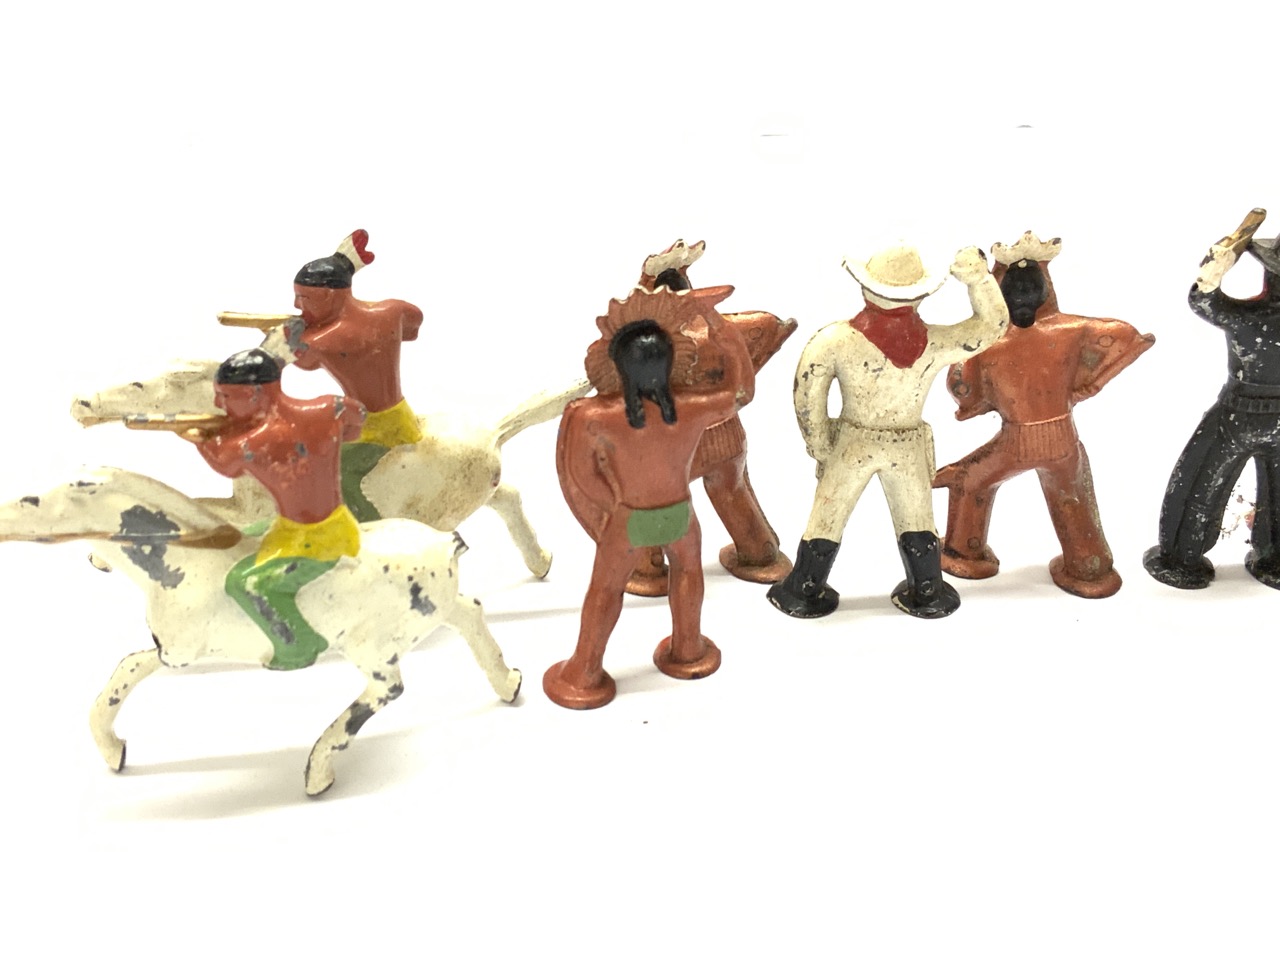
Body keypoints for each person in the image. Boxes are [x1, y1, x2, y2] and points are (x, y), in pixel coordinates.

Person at [767, 243, 1007, 619]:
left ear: (866, 288)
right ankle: (926, 589)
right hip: (906, 443)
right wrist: (979, 280)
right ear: (920, 295)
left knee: (828, 514)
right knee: (917, 517)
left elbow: (808, 394)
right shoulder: (934, 342)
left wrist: (821, 445)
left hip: (853, 441)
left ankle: (805, 587)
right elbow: (991, 327)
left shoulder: (834, 339)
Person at [545, 285, 753, 709]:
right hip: (680, 514)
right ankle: (688, 648)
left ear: (615, 365)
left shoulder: (593, 416)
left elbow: (581, 475)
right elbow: (740, 392)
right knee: (688, 571)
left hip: (628, 520)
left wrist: (614, 508)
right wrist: (720, 328)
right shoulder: (692, 407)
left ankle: (585, 670)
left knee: (606, 590)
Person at [934, 232, 1155, 598]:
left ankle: (965, 552)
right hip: (1064, 439)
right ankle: (1089, 567)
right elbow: (1126, 337)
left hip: (1018, 440)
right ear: (1045, 289)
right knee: (1072, 495)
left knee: (970, 480)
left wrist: (979, 396)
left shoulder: (989, 344)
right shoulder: (1073, 330)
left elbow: (963, 387)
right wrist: (1085, 386)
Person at [619, 238, 795, 594]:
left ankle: (648, 569)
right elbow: (771, 328)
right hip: (727, 435)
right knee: (731, 488)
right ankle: (759, 553)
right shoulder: (724, 328)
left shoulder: (652, 346)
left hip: (676, 446)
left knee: (651, 498)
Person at [183, 348, 366, 669]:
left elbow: (225, 464)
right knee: (237, 538)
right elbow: (357, 415)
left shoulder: (254, 441)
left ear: (255, 395)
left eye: (226, 396)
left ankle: (299, 645)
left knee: (246, 583)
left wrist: (199, 440)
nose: (218, 405)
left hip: (319, 541)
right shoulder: (330, 408)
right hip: (302, 525)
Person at [1144, 209, 1280, 590]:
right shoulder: (1247, 318)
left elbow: (1204, 302)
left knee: (1199, 481)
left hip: (1238, 415)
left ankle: (1182, 557)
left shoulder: (1247, 318)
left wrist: (1215, 269)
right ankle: (1274, 557)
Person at [290, 230, 424, 520]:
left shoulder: (324, 340)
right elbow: (415, 322)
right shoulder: (391, 311)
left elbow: (301, 361)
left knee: (337, 474)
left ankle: (371, 527)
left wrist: (289, 336)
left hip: (378, 427)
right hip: (399, 414)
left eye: (303, 298)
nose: (297, 306)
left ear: (327, 297)